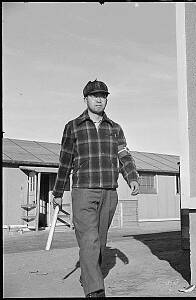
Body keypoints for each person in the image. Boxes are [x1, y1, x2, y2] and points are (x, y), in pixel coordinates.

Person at [52, 79, 140, 298]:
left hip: (109, 192)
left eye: (103, 96)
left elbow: (124, 155)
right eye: (94, 96)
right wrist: (58, 191)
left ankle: (89, 273)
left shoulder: (115, 128)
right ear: (86, 99)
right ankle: (95, 290)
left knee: (99, 241)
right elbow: (65, 160)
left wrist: (132, 177)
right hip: (83, 190)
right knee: (89, 240)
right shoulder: (73, 127)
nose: (99, 99)